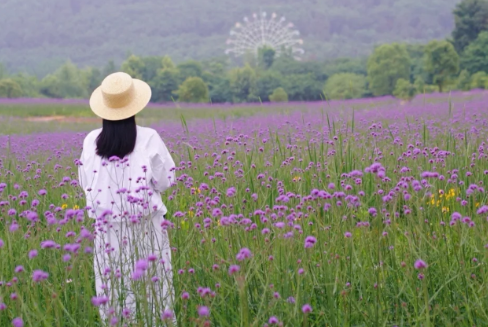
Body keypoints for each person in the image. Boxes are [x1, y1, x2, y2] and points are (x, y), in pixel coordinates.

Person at [78, 72, 176, 326]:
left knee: (113, 296)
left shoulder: (91, 141)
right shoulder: (149, 137)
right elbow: (166, 180)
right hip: (147, 230)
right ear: (135, 106)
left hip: (107, 232)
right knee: (156, 295)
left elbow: (85, 184)